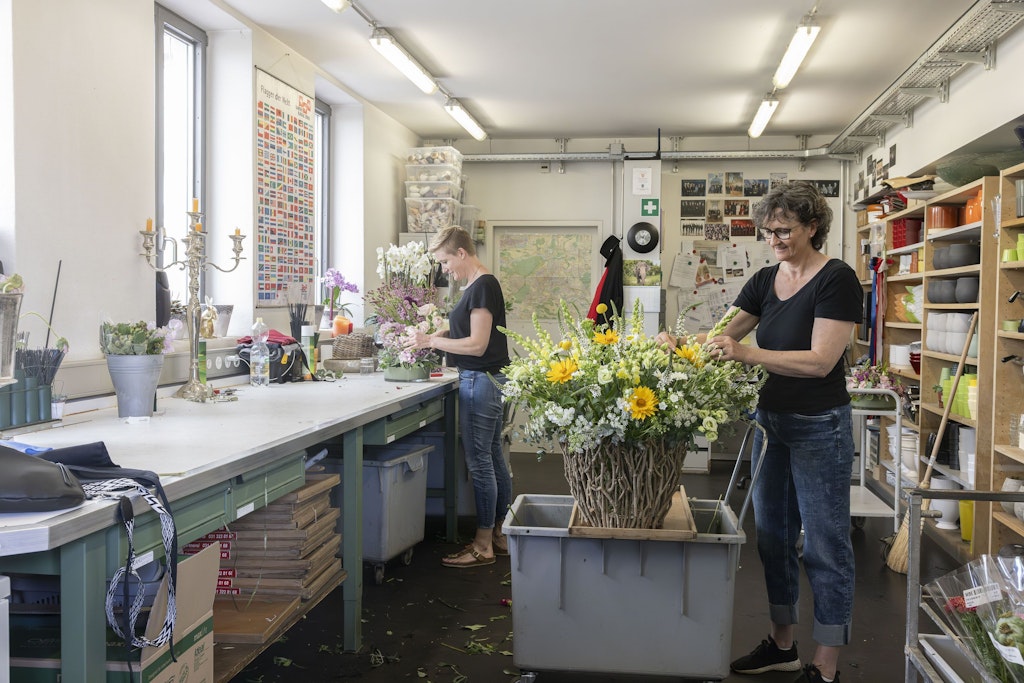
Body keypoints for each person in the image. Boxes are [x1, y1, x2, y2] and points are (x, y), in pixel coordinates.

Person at [656, 182, 861, 683]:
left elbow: (820, 361)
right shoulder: (765, 279)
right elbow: (722, 336)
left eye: (784, 230)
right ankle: (782, 645)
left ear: (813, 226)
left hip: (821, 427)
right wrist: (680, 342)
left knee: (825, 546)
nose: (774, 239)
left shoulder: (836, 279)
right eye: (768, 231)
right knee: (773, 539)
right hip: (771, 424)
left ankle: (825, 666)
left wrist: (747, 354)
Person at [405, 226, 512, 568]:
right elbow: (473, 328)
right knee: (492, 457)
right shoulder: (481, 284)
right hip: (488, 380)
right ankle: (498, 534)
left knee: (480, 462)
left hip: (480, 381)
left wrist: (430, 341)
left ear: (461, 253)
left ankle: (482, 544)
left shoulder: (482, 286)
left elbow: (478, 345)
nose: (444, 269)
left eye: (445, 261)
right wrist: (445, 330)